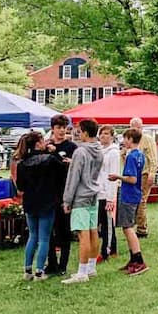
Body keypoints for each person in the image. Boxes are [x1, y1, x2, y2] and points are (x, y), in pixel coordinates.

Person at [15, 131, 65, 281]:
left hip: (30, 202)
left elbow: (20, 187)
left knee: (33, 236)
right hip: (47, 202)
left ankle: (27, 270)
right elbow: (62, 172)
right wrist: (55, 153)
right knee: (44, 238)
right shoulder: (50, 160)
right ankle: (39, 272)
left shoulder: (22, 164)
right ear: (38, 143)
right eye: (42, 140)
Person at [61, 119, 103, 285]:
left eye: (80, 130)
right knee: (94, 232)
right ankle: (91, 267)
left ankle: (82, 272)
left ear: (85, 132)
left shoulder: (80, 152)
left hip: (81, 196)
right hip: (94, 194)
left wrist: (67, 199)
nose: (78, 133)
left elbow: (74, 177)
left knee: (82, 233)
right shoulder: (99, 150)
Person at [109, 129, 149, 276]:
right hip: (135, 195)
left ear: (130, 139)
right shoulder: (139, 155)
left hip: (128, 195)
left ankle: (139, 259)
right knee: (127, 227)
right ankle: (133, 259)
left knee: (127, 227)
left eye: (125, 138)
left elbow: (132, 179)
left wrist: (117, 176)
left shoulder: (132, 156)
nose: (123, 141)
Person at [45, 114, 77, 276]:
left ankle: (63, 265)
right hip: (48, 193)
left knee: (64, 231)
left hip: (65, 192)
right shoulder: (46, 146)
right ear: (53, 129)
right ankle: (51, 263)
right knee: (48, 231)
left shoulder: (72, 147)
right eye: (59, 128)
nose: (62, 131)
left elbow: (74, 168)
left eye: (64, 128)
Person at [130, 117, 158, 239]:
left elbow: (153, 157)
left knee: (141, 201)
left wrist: (152, 173)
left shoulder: (147, 139)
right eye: (133, 126)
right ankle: (138, 225)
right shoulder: (130, 139)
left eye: (138, 127)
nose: (136, 129)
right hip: (133, 175)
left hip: (144, 174)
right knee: (135, 201)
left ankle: (142, 228)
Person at [97, 126, 120, 260]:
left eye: (106, 134)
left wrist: (111, 197)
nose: (103, 136)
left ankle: (108, 249)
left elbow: (114, 174)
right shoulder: (99, 150)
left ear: (112, 136)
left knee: (107, 223)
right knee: (101, 223)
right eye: (102, 134)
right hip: (98, 191)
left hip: (107, 192)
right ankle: (108, 247)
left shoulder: (113, 153)